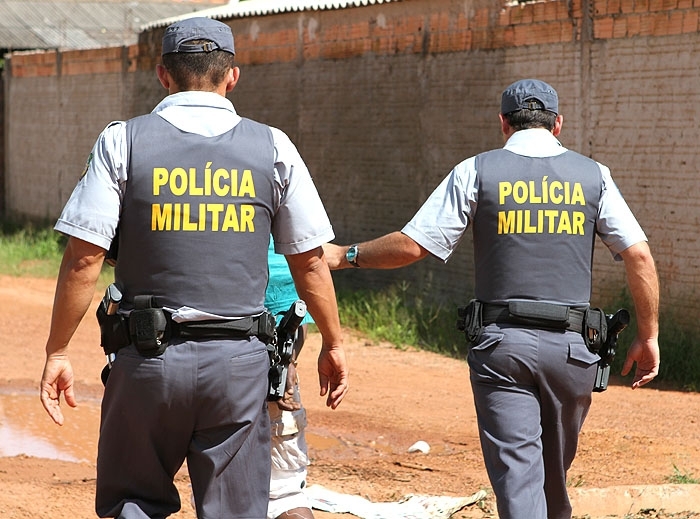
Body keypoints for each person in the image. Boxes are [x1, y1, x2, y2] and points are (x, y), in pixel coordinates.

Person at [39, 17, 348, 519]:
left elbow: (84, 258)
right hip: (239, 367)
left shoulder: (123, 141)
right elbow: (309, 261)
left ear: (163, 75)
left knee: (134, 503)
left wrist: (57, 350)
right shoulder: (273, 146)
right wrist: (333, 343)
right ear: (232, 77)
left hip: (148, 363)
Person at [323, 79, 659, 519]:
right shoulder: (594, 176)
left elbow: (414, 245)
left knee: (520, 482)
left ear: (503, 123)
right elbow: (638, 255)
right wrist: (648, 336)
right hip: (573, 353)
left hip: (503, 350)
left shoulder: (477, 171)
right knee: (552, 482)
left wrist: (345, 256)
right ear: (557, 124)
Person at [265, 237, 316, 519]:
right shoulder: (277, 205)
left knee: (146, 493)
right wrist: (288, 360)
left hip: (167, 353)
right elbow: (310, 264)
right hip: (270, 361)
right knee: (284, 496)